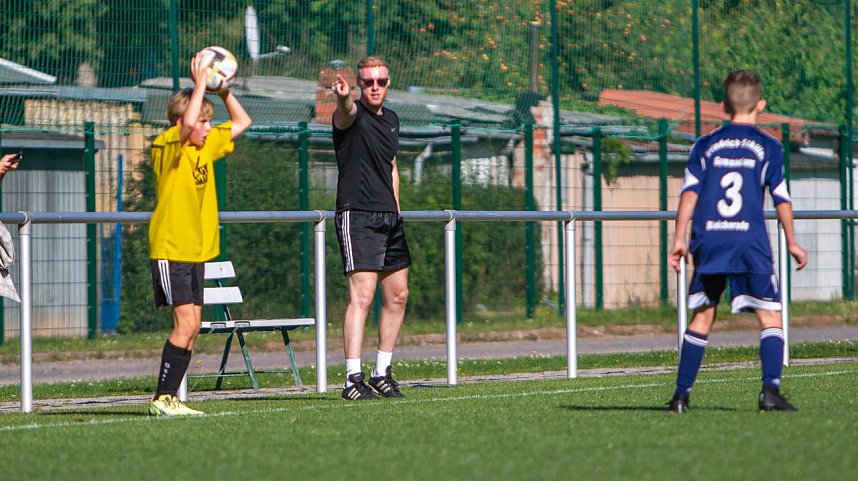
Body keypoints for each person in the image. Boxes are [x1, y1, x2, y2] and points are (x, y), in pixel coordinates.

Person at [666, 70, 808, 414]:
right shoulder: (769, 146)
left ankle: (681, 397)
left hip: (709, 238)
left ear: (722, 105)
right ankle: (770, 392)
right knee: (770, 315)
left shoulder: (705, 144)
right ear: (761, 105)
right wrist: (792, 241)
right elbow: (781, 197)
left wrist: (679, 238)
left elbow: (689, 193)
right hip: (750, 241)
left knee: (702, 315)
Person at [147, 51, 252, 416]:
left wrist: (222, 91)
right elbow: (189, 121)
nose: (208, 128)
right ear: (180, 124)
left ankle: (169, 398)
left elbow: (242, 121)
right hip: (171, 247)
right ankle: (162, 397)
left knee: (192, 328)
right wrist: (200, 85)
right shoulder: (166, 146)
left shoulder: (204, 149)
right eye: (204, 122)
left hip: (196, 250)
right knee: (186, 323)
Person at [330, 56, 410, 400]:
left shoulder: (392, 120)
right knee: (362, 297)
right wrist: (343, 97)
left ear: (389, 83)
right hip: (358, 214)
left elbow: (391, 166)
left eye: (381, 81)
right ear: (359, 85)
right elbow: (345, 111)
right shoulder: (350, 115)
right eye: (368, 82)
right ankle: (352, 379)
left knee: (398, 295)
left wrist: (396, 208)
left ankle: (381, 372)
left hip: (388, 217)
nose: (375, 87)